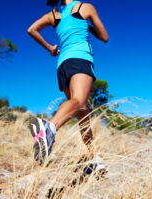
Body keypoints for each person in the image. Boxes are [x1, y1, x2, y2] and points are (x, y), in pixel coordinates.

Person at [27, 0, 109, 168]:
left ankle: (93, 157)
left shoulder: (53, 15)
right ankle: (49, 128)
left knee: (82, 111)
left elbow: (31, 29)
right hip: (80, 58)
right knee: (78, 101)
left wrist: (50, 48)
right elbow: (104, 37)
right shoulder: (85, 7)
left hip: (63, 64)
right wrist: (86, 24)